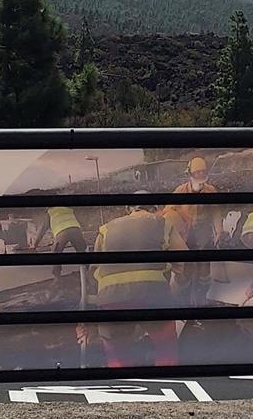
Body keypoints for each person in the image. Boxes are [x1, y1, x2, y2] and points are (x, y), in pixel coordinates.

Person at [80, 198, 175, 367]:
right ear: (155, 208)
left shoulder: (106, 228)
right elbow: (185, 263)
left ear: (128, 209)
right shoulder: (162, 223)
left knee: (118, 358)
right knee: (166, 350)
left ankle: (123, 387)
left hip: (111, 300)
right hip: (152, 296)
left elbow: (93, 275)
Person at [165, 157, 220, 305]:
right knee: (185, 272)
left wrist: (219, 231)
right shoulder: (180, 191)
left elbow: (216, 212)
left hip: (203, 237)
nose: (200, 175)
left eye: (203, 172)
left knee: (203, 275)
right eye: (197, 173)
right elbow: (168, 212)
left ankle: (200, 302)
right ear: (190, 174)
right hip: (185, 238)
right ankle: (180, 301)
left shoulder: (211, 191)